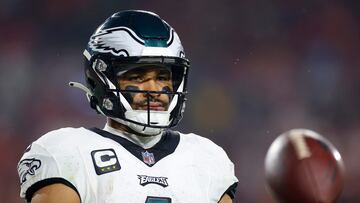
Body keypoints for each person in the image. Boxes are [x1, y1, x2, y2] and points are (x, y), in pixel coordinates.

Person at [17, 10, 238, 203]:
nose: (154, 89)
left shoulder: (207, 158)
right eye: (138, 76)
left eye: (163, 77)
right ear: (102, 79)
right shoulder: (67, 153)